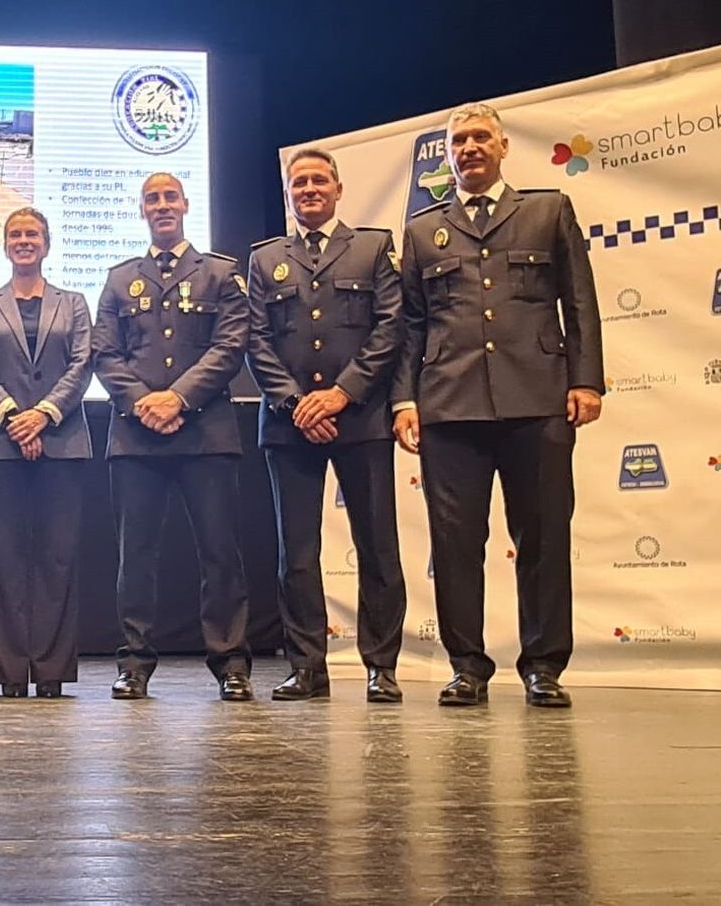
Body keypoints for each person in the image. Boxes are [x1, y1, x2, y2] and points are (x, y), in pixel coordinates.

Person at [391, 103, 604, 708]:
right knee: (456, 543)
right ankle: (467, 666)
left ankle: (543, 666)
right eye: (459, 142)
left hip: (536, 399)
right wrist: (404, 399)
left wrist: (585, 380)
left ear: (504, 147)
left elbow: (579, 302)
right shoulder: (422, 230)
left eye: (481, 138)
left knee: (541, 535)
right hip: (449, 406)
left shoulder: (546, 210)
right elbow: (410, 326)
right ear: (449, 154)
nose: (470, 149)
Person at [246, 148, 407, 703]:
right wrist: (297, 404)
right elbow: (256, 342)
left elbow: (391, 328)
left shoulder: (373, 247)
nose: (309, 189)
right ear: (288, 195)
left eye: (319, 180)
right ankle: (307, 668)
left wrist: (341, 393)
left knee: (378, 546)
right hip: (290, 426)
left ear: (339, 189)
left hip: (360, 418)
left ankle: (381, 667)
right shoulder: (266, 260)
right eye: (299, 183)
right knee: (297, 551)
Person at [92, 172, 254, 702]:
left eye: (169, 198)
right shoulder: (120, 279)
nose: (162, 206)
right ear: (142, 210)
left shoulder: (220, 274)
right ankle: (135, 662)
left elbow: (230, 346)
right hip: (136, 437)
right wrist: (145, 402)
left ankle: (231, 663)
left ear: (185, 205)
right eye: (151, 200)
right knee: (134, 555)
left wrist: (177, 398)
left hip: (205, 432)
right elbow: (105, 354)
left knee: (219, 554)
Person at [0, 208, 93, 698]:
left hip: (62, 442)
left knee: (58, 559)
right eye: (15, 233)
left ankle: (53, 670)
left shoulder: (74, 303)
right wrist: (14, 418)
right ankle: (10, 671)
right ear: (4, 244)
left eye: (31, 234)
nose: (23, 241)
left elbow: (82, 365)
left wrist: (43, 415)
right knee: (5, 559)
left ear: (47, 243)